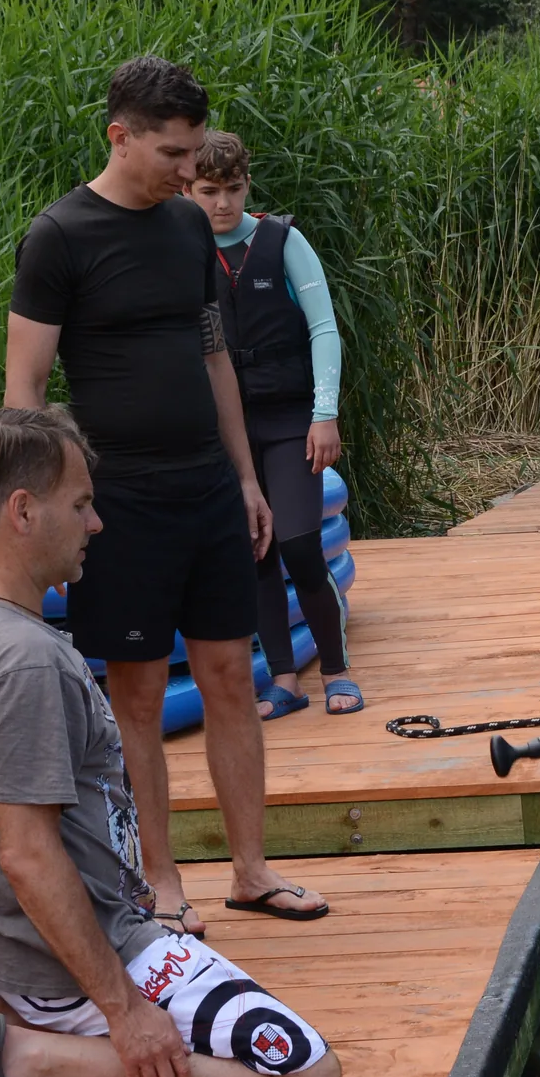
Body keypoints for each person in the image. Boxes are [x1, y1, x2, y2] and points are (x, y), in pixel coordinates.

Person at [0, 407, 342, 1077]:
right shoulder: (23, 663)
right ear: (22, 511)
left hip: (13, 958)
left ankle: (2, 1013)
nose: (97, 523)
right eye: (79, 504)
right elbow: (27, 857)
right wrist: (124, 1010)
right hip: (88, 960)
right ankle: (30, 1060)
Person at [5, 55, 326, 930]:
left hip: (209, 488)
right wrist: (44, 524)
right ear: (121, 135)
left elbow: (214, 355)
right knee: (137, 692)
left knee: (232, 672)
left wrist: (249, 478)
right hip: (119, 502)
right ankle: (162, 878)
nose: (191, 174)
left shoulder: (188, 231)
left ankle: (252, 868)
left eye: (196, 157)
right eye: (175, 154)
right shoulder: (60, 236)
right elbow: (24, 391)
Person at [186, 131, 362, 721]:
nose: (222, 204)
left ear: (247, 186)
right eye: (208, 191)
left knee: (300, 544)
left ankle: (336, 670)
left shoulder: (282, 241)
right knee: (253, 552)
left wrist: (324, 413)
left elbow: (323, 328)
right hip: (223, 429)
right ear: (187, 190)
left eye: (232, 190)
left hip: (290, 418)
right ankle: (284, 680)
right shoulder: (179, 248)